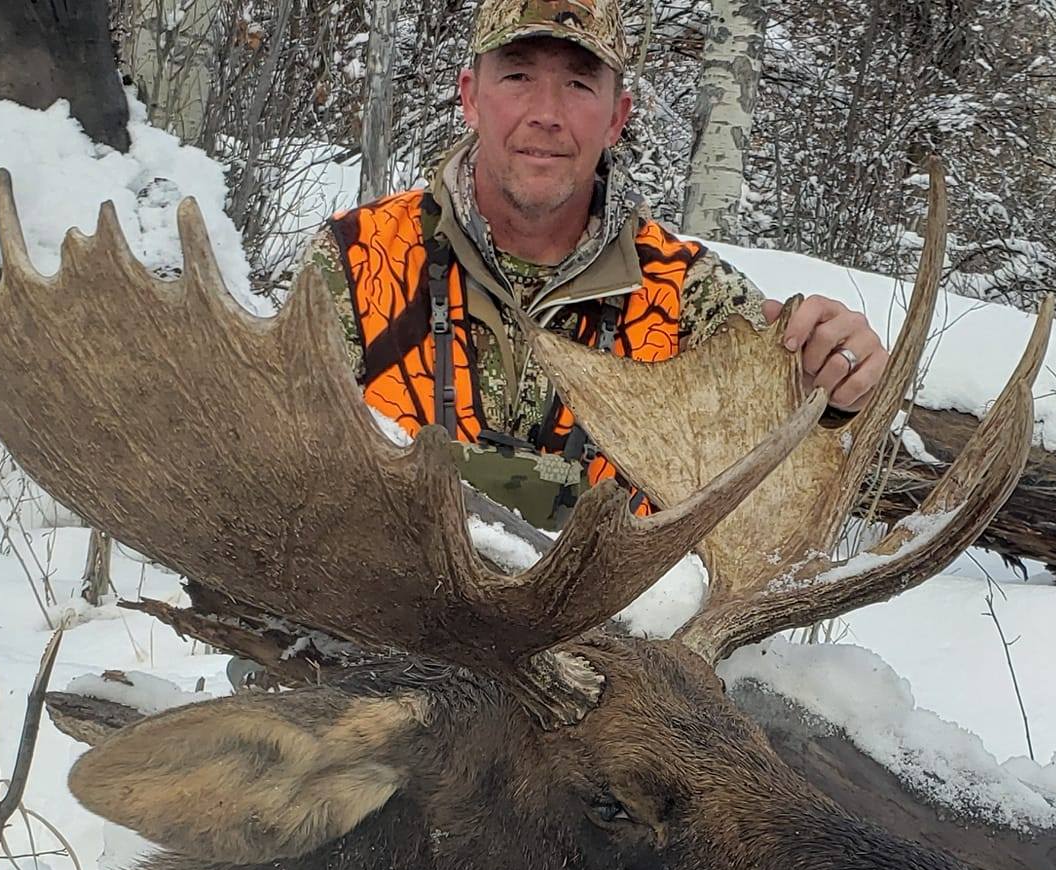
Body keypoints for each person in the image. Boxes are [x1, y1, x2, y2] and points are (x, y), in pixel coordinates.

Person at [308, 0, 890, 528]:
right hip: (380, 629)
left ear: (617, 117)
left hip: (601, 640)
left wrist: (836, 392)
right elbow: (284, 462)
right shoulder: (358, 260)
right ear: (469, 98)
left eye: (580, 84)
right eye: (516, 76)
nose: (546, 113)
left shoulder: (686, 294)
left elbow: (784, 455)